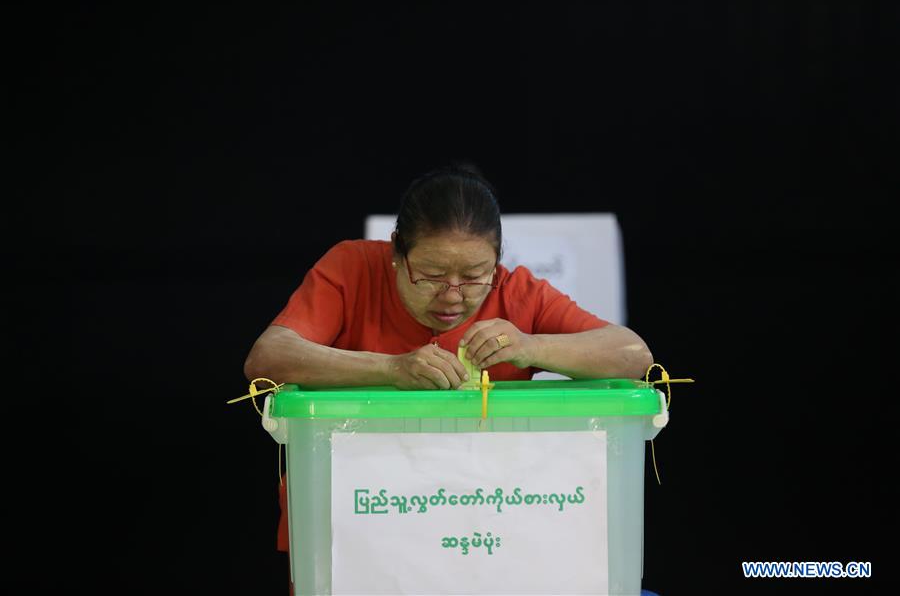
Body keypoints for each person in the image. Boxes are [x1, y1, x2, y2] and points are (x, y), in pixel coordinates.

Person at [243, 163, 653, 586]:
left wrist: (532, 345)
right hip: (357, 522)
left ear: (497, 263)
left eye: (475, 276)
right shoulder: (352, 268)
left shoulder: (517, 293)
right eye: (432, 276)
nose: (452, 296)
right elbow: (268, 356)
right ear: (396, 254)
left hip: (485, 527)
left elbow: (633, 355)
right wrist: (389, 369)